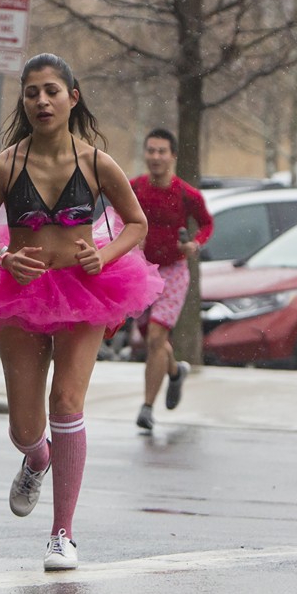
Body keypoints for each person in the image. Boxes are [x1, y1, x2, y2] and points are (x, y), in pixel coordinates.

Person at [0, 53, 163, 571]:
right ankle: (36, 457)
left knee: (66, 401)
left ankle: (63, 533)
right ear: (23, 100)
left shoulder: (97, 164)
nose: (42, 100)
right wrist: (3, 257)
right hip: (20, 291)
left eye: (52, 91)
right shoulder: (4, 166)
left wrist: (104, 255)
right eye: (32, 92)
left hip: (85, 290)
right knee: (24, 426)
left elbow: (136, 223)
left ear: (72, 98)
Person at [130, 128, 213, 431]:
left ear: (173, 155)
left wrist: (195, 244)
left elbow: (206, 224)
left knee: (156, 337)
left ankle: (146, 408)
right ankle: (176, 372)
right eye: (151, 150)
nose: (156, 157)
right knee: (154, 341)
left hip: (173, 271)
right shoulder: (133, 188)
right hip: (140, 271)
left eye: (162, 151)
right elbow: (117, 216)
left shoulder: (187, 194)